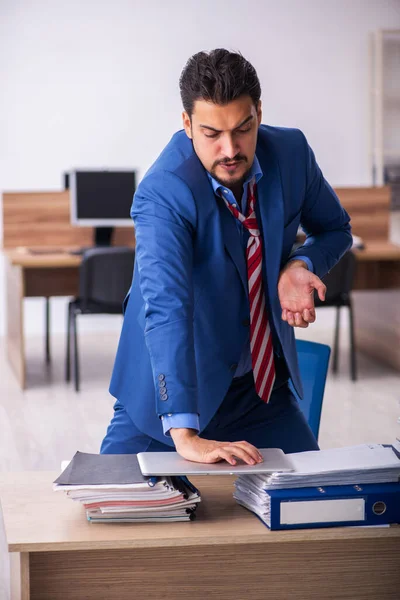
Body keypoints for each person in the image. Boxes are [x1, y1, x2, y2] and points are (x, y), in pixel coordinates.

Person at [101, 49, 352, 465]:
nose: (230, 149)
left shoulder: (291, 154)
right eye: (211, 133)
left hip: (258, 392)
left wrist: (299, 264)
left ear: (259, 112)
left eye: (243, 128)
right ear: (186, 124)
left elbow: (335, 228)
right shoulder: (163, 191)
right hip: (171, 396)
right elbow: (168, 307)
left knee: (317, 501)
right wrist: (185, 435)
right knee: (109, 508)